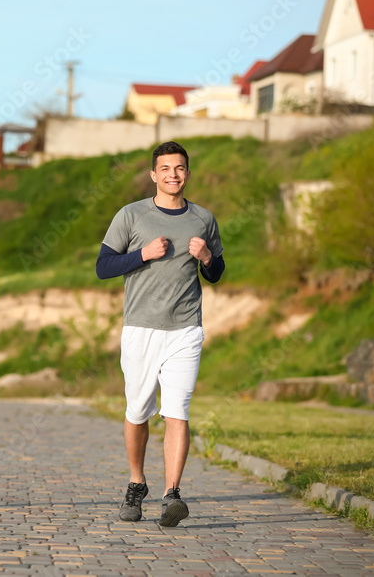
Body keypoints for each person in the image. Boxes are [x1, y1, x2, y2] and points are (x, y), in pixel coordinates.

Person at [96, 140, 224, 527]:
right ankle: (137, 483)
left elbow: (216, 273)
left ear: (188, 173)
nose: (173, 174)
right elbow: (104, 266)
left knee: (177, 411)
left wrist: (206, 258)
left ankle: (172, 494)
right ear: (154, 175)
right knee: (137, 411)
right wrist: (143, 255)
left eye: (180, 168)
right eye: (165, 168)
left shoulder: (203, 219)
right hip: (141, 329)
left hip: (185, 328)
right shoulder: (131, 215)